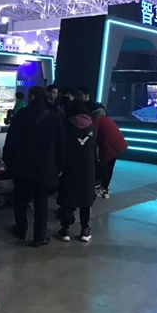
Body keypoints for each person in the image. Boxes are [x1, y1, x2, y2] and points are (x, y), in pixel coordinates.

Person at [3, 85, 65, 247]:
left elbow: (11, 139)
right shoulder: (54, 117)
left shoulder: (21, 114)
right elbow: (60, 145)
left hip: (21, 165)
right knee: (41, 201)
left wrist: (7, 160)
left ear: (30, 97)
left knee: (21, 199)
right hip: (44, 167)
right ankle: (39, 237)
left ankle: (21, 229)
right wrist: (59, 166)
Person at [57, 100, 97, 243]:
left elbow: (61, 149)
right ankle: (85, 230)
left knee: (68, 199)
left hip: (70, 168)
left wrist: (59, 167)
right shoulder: (93, 128)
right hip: (88, 168)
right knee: (86, 200)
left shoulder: (65, 126)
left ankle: (65, 230)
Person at [90, 104, 128, 199]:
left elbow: (92, 135)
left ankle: (103, 188)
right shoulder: (106, 120)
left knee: (105, 167)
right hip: (117, 145)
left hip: (109, 147)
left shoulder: (97, 121)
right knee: (109, 167)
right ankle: (105, 187)